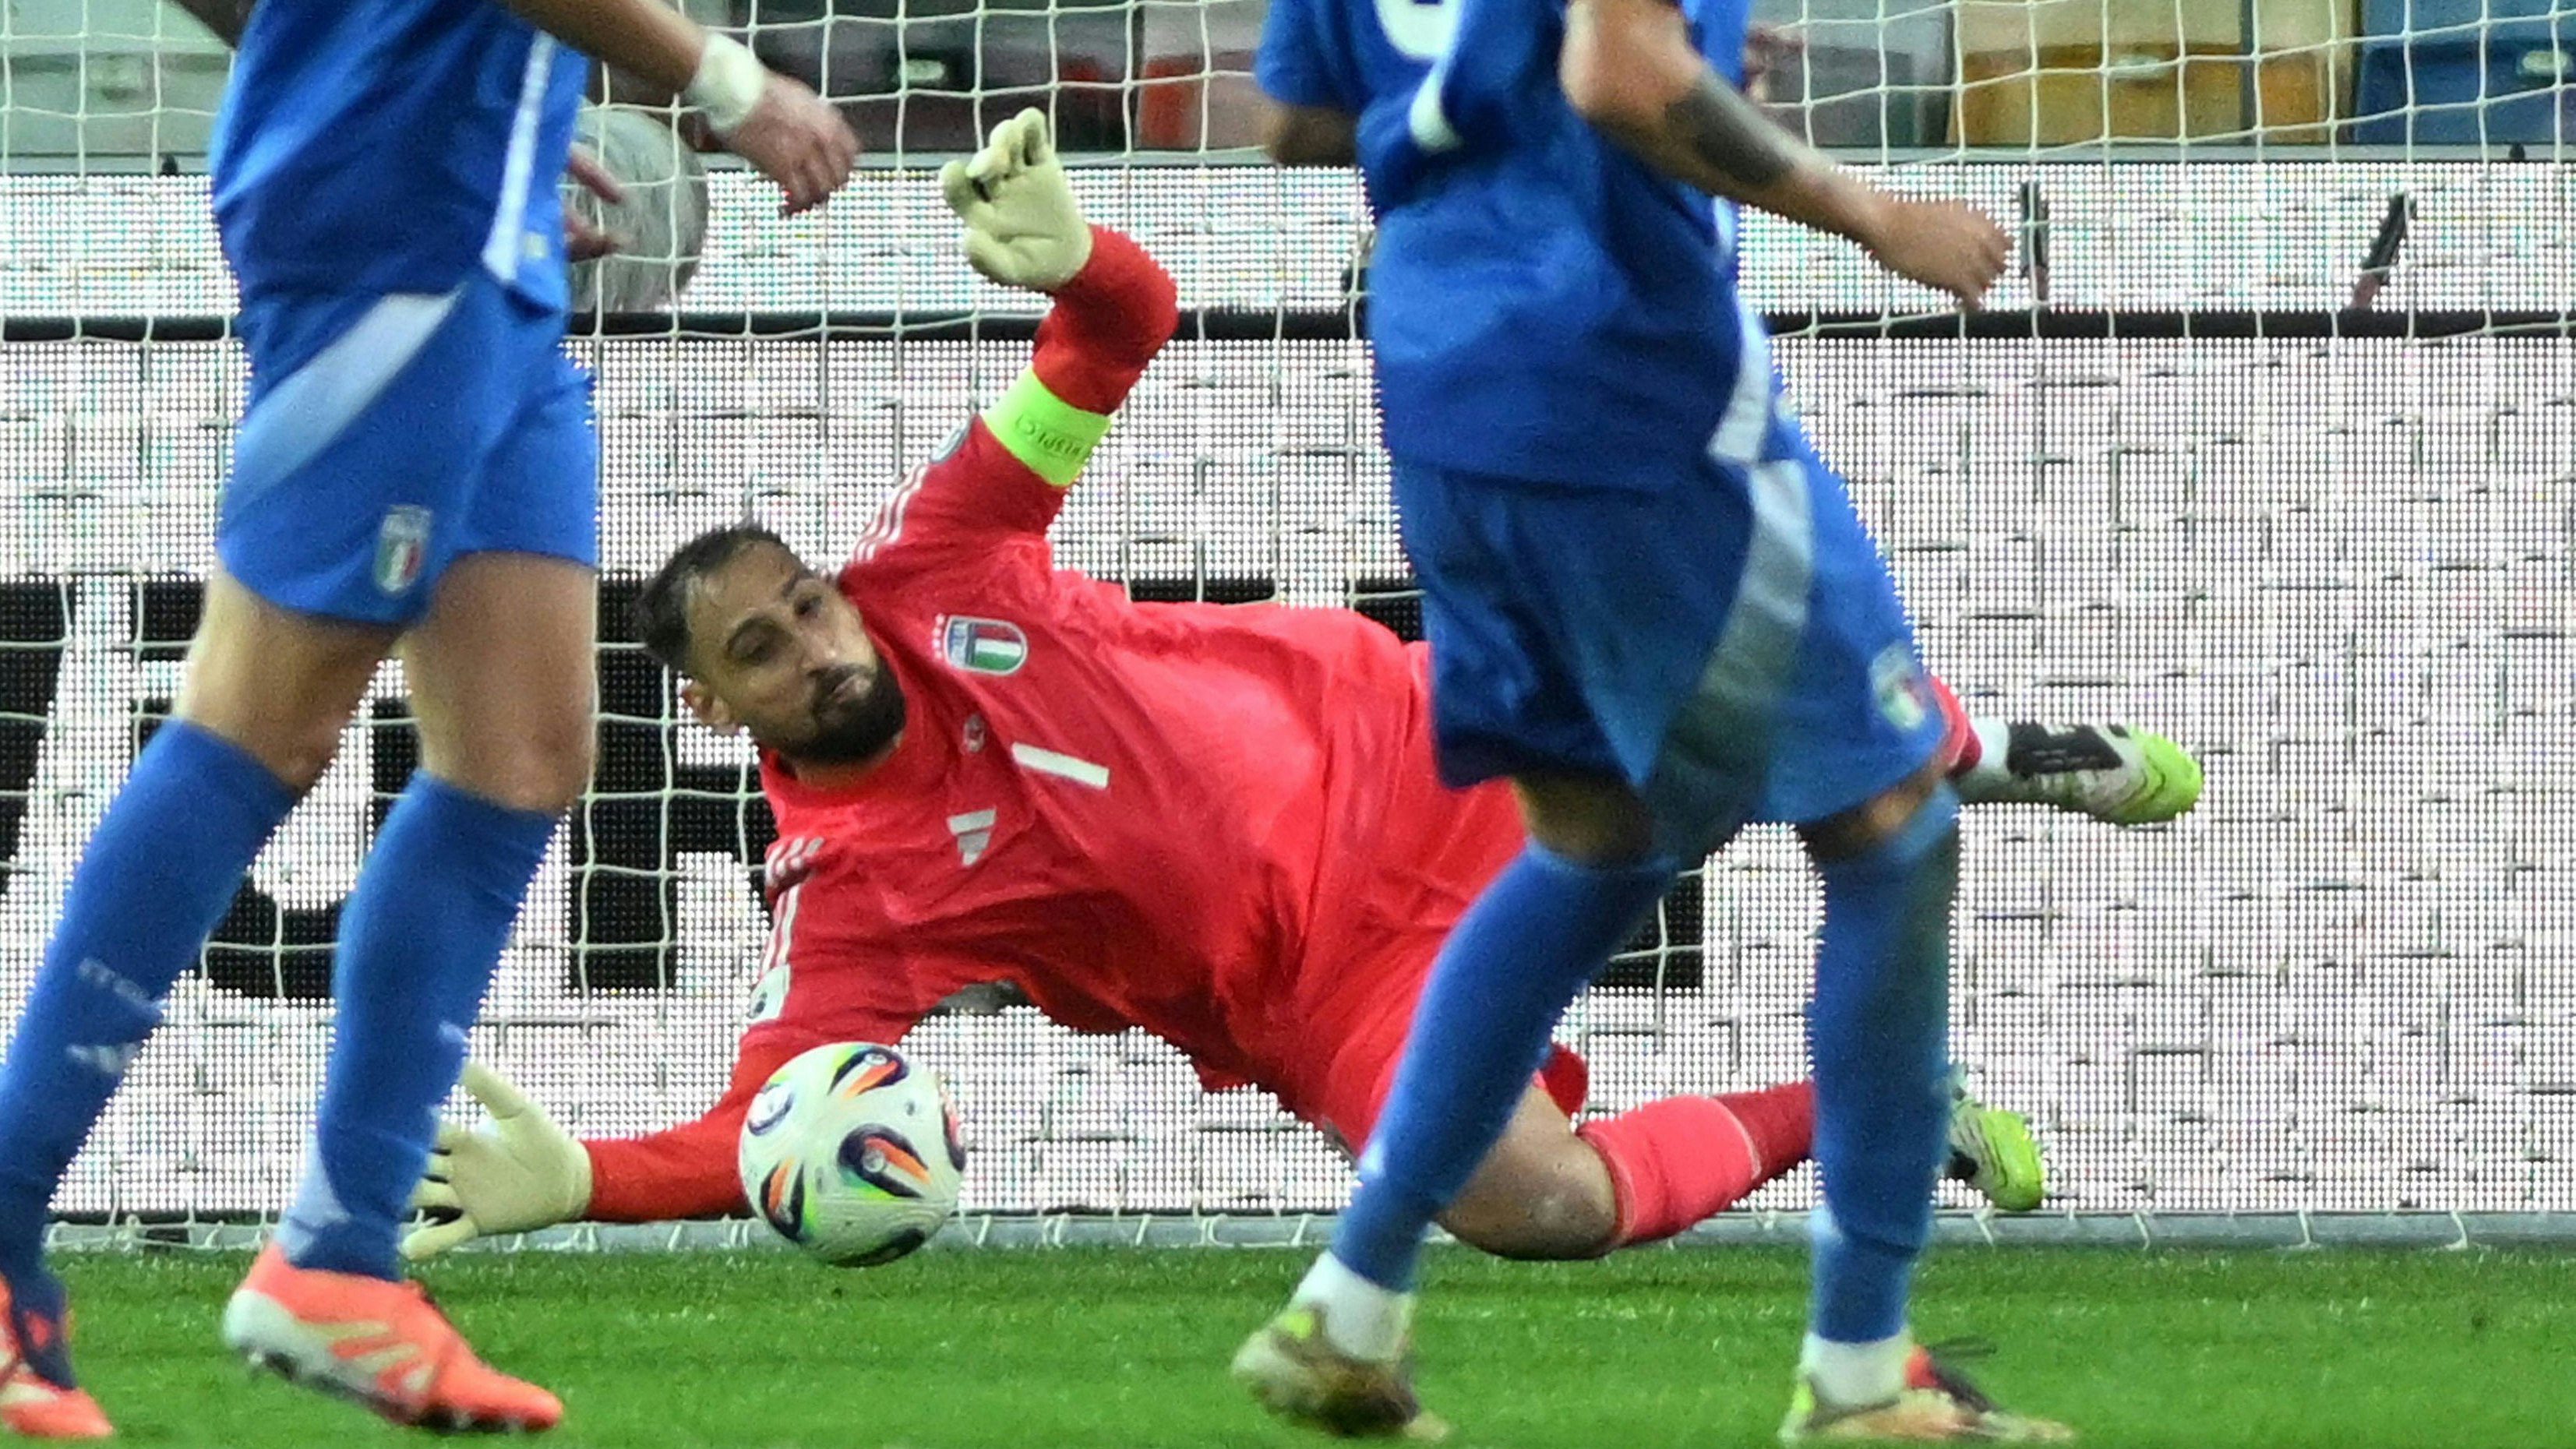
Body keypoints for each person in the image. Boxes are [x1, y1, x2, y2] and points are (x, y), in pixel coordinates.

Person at [399, 115, 2197, 1285]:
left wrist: (1071, 258)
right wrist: (592, 1184)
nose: (820, 645)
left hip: (1412, 746)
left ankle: (1986, 746)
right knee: (1536, 1211)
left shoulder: (936, 553)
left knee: (1720, 696)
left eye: (806, 606)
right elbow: (773, 1126)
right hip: (1322, 991)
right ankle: (1886, 1104)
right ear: (721, 719)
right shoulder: (855, 903)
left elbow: (1115, 337)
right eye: (767, 653)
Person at [0, 0, 856, 1437]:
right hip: (397, 217)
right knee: (260, 718)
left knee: (522, 754)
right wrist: (720, 77)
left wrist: (497, 119)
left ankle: (339, 1259)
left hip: (465, 208)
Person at [1238, 0, 2085, 1439]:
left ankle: (1349, 1306)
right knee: (1891, 831)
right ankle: (1862, 1377)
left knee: (1592, 847)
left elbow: (1299, 121)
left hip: (1445, 394)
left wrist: (1594, 84)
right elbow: (1619, 75)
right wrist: (1870, 209)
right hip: (1627, 391)